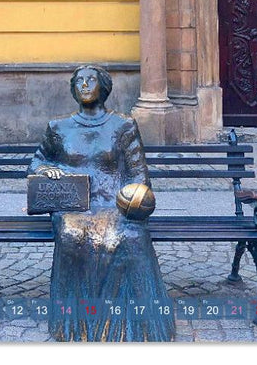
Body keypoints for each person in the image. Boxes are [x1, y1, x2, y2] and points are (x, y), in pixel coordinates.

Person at [29, 65, 175, 342]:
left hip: (115, 205)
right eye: (79, 81)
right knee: (72, 234)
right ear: (73, 88)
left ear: (104, 87)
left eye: (91, 80)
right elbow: (36, 163)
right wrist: (46, 170)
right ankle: (74, 325)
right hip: (73, 205)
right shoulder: (58, 127)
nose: (84, 85)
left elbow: (139, 175)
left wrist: (135, 198)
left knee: (132, 236)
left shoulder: (123, 125)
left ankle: (138, 326)